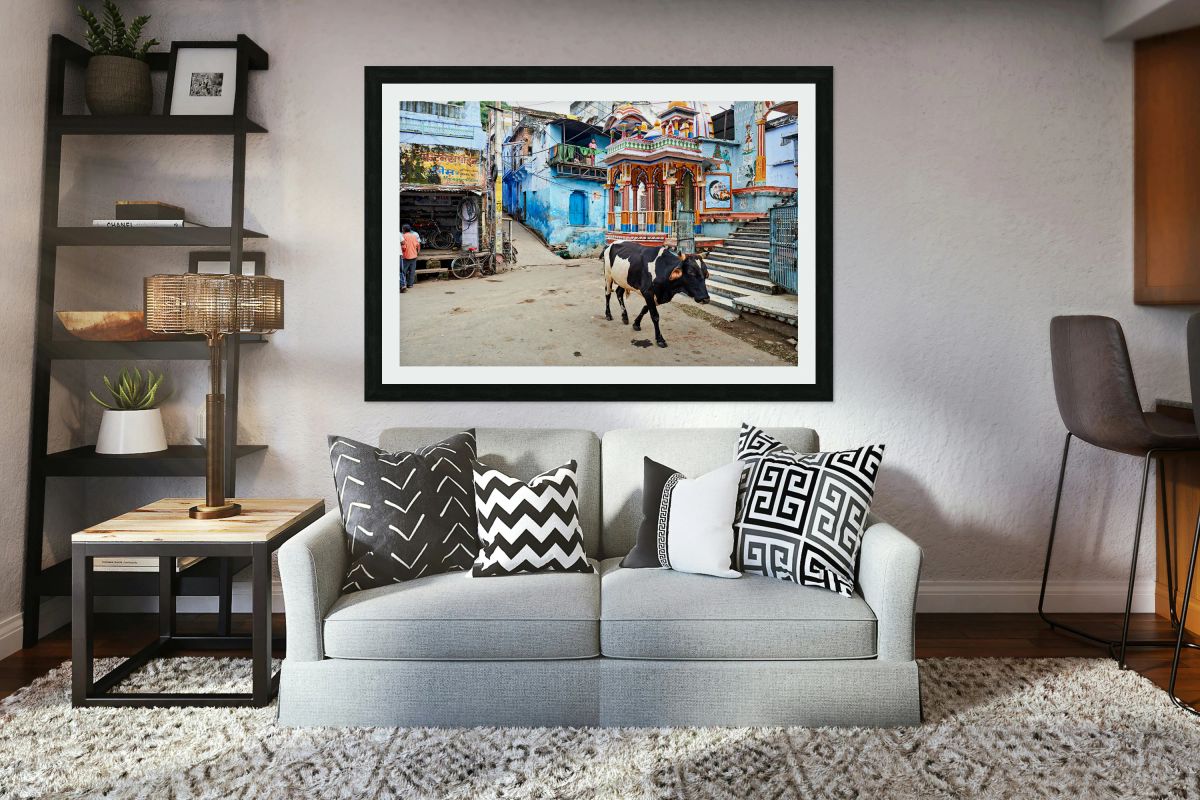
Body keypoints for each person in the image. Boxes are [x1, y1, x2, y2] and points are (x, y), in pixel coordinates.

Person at [400, 223, 421, 293]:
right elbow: (418, 245)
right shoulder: (414, 236)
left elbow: (404, 247)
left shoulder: (403, 236)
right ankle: (410, 284)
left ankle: (403, 284)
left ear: (403, 229)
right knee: (412, 271)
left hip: (405, 256)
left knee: (403, 271)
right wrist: (417, 252)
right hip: (414, 256)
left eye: (402, 228)